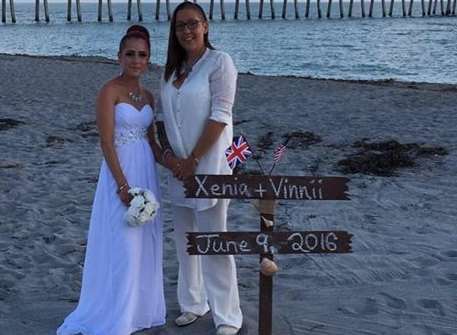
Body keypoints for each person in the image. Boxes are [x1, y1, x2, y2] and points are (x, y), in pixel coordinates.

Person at [57, 25, 166, 335]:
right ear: (119, 56)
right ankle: (116, 315)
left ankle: (139, 312)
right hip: (121, 173)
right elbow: (106, 141)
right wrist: (122, 185)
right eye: (130, 54)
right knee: (123, 245)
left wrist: (178, 164)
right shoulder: (109, 91)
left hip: (147, 172)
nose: (136, 60)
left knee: (145, 243)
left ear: (148, 60)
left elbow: (154, 143)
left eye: (142, 55)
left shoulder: (148, 96)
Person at [159, 2, 242, 335]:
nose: (187, 31)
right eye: (180, 26)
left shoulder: (219, 63)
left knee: (214, 240)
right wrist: (172, 159)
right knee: (185, 240)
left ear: (206, 26)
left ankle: (227, 316)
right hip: (179, 169)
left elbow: (221, 116)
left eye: (193, 24)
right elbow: (164, 119)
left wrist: (193, 160)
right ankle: (194, 303)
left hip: (209, 166)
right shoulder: (172, 70)